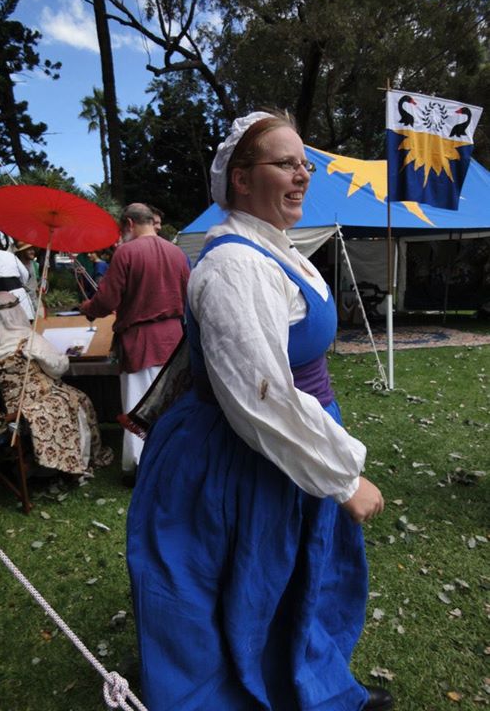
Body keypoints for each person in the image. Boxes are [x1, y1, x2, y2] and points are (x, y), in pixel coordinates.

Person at [126, 112, 393, 711]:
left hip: (282, 444)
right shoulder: (233, 265)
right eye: (284, 164)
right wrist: (342, 476)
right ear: (241, 179)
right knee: (231, 576)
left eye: (305, 164)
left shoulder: (279, 252)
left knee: (291, 574)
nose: (302, 176)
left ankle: (305, 683)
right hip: (238, 449)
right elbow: (258, 392)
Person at [80, 203, 190, 482]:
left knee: (138, 405)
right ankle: (175, 459)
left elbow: (107, 301)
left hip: (141, 339)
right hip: (174, 338)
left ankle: (141, 465)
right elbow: (188, 295)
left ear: (129, 223)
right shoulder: (177, 252)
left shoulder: (126, 252)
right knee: (172, 402)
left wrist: (89, 308)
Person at [0, 291, 113, 479]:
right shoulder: (26, 340)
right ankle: (70, 460)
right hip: (22, 415)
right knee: (76, 397)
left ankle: (24, 460)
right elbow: (58, 368)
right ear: (15, 311)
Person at [14, 241, 44, 317]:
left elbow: (36, 283)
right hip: (22, 302)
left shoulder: (35, 265)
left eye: (33, 249)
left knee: (40, 323)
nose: (32, 252)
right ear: (22, 252)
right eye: (29, 250)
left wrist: (40, 288)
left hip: (36, 301)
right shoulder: (15, 265)